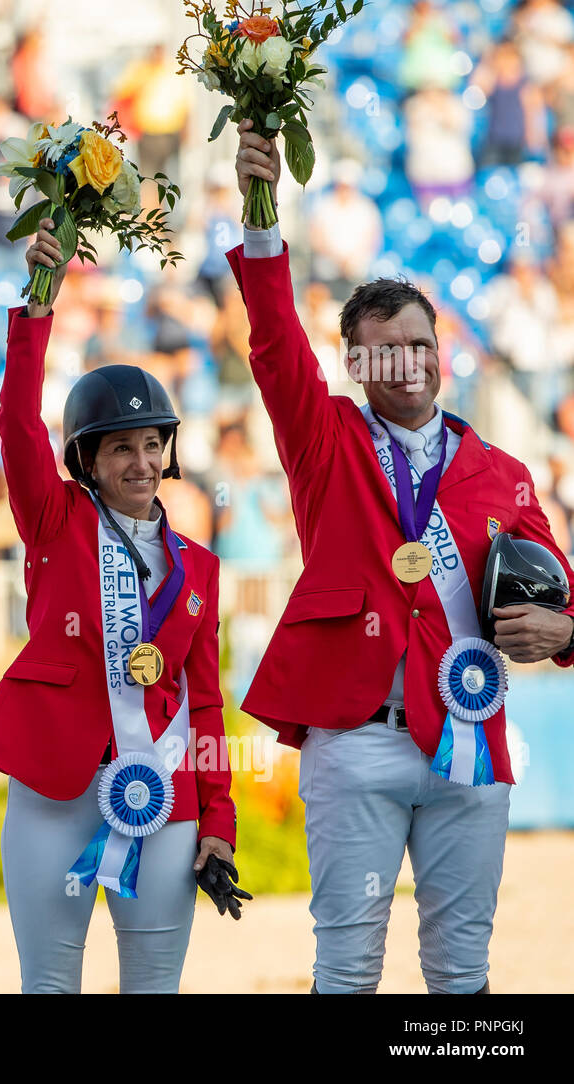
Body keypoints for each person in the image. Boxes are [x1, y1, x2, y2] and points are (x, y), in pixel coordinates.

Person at [230, 119, 574, 993]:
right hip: (355, 741)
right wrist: (263, 216)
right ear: (354, 360)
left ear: (441, 350)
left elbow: (562, 597)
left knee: (462, 969)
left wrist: (562, 627)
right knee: (346, 966)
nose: (407, 361)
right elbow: (274, 348)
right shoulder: (327, 439)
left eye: (420, 343)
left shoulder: (502, 473)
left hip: (470, 739)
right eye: (385, 346)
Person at [0, 222, 244, 995]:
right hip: (56, 790)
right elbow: (17, 426)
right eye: (122, 448)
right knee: (49, 987)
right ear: (86, 459)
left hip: (166, 795)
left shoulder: (202, 569)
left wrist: (218, 823)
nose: (143, 462)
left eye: (153, 444)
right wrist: (37, 303)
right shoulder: (54, 522)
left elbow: (207, 702)